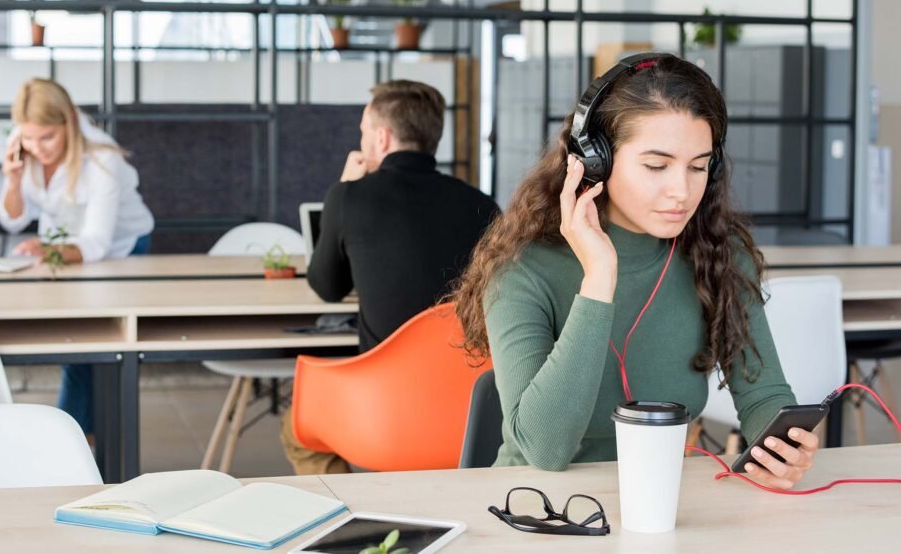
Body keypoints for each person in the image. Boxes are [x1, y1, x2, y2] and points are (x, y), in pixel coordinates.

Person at [453, 53, 818, 490]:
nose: (682, 191)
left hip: (661, 500)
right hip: (536, 506)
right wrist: (600, 278)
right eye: (656, 166)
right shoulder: (521, 269)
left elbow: (764, 395)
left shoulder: (719, 253)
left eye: (698, 166)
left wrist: (780, 450)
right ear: (594, 161)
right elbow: (545, 450)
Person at [281, 79, 500, 474]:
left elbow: (327, 288)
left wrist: (345, 189)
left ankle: (348, 519)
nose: (361, 140)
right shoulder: (482, 205)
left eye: (363, 131)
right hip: (469, 414)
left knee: (297, 431)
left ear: (381, 138)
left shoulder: (349, 197)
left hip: (382, 413)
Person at [0, 78, 154, 437]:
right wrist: (11, 180)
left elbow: (97, 243)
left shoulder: (102, 159)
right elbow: (13, 219)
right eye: (29, 138)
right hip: (64, 250)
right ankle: (81, 446)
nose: (38, 148)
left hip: (124, 249)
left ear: (68, 120)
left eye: (47, 138)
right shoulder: (24, 144)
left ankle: (74, 446)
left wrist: (45, 250)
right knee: (80, 352)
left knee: (95, 354)